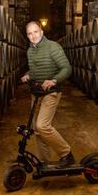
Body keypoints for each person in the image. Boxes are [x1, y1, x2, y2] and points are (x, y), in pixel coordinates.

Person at [21, 21, 74, 168]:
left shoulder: (53, 47)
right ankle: (45, 162)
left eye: (36, 32)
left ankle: (66, 154)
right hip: (36, 92)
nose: (33, 36)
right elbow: (35, 70)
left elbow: (66, 68)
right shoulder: (30, 51)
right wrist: (28, 75)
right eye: (30, 33)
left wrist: (54, 80)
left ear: (42, 32)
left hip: (51, 92)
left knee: (42, 125)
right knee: (37, 130)